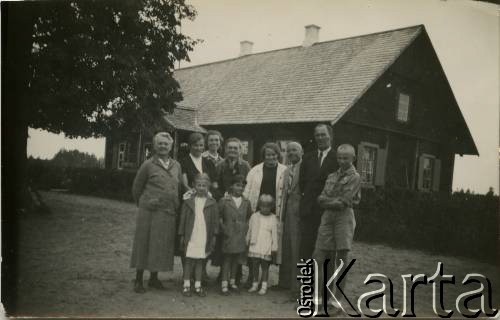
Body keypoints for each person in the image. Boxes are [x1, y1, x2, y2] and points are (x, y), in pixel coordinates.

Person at [130, 132, 182, 293]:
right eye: (160, 143)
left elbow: (178, 187)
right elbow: (136, 188)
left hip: (167, 212)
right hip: (149, 212)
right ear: (154, 146)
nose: (163, 146)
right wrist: (145, 204)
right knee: (143, 244)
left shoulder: (176, 165)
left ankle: (154, 278)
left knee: (159, 245)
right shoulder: (147, 165)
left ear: (171, 147)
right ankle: (138, 279)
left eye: (166, 144)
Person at [313, 144, 361, 311]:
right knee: (320, 256)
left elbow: (344, 202)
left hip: (344, 218)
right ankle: (318, 299)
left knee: (341, 258)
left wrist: (328, 201)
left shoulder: (355, 177)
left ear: (353, 158)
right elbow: (320, 198)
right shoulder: (332, 175)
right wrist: (330, 201)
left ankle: (336, 301)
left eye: (345, 158)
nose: (342, 161)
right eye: (339, 158)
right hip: (327, 217)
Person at [244, 142, 287, 284]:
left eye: (274, 154)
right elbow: (247, 190)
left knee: (268, 245)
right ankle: (252, 276)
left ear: (278, 155)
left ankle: (264, 278)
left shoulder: (284, 171)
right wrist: (247, 209)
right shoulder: (255, 170)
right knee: (254, 243)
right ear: (264, 156)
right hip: (257, 211)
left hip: (274, 212)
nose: (271, 157)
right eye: (268, 155)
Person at [213, 137, 251, 282]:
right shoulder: (220, 165)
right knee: (225, 238)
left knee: (238, 238)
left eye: (236, 148)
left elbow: (247, 185)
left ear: (240, 150)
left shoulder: (246, 166)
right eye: (230, 148)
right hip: (225, 205)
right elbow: (215, 184)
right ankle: (223, 272)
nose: (233, 150)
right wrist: (222, 197)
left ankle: (237, 273)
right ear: (225, 149)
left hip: (240, 205)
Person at [299, 124, 338, 261]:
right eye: (317, 135)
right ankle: (306, 282)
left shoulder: (337, 158)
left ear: (330, 137)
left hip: (327, 212)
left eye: (323, 134)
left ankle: (325, 283)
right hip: (308, 212)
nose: (320, 138)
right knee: (305, 250)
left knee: (326, 253)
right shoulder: (307, 158)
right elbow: (302, 184)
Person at [178, 173, 219, 297]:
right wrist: (181, 235)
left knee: (200, 261)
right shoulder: (188, 201)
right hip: (191, 234)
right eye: (199, 185)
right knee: (189, 260)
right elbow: (183, 219)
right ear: (194, 186)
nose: (201, 188)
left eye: (204, 186)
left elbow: (215, 221)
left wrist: (214, 236)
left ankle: (197, 285)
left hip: (204, 235)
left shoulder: (212, 202)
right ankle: (186, 285)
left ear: (208, 187)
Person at [218, 174, 253, 295]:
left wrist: (245, 228)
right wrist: (224, 229)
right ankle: (224, 283)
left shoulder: (246, 202)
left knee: (236, 260)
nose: (240, 188)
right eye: (237, 185)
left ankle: (232, 282)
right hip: (228, 234)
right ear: (232, 186)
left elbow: (249, 217)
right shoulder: (224, 201)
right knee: (227, 259)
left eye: (242, 186)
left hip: (240, 235)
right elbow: (219, 217)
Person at [277, 141, 303, 295]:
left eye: (295, 150)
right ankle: (284, 282)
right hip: (286, 213)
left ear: (301, 152)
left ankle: (296, 285)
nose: (291, 153)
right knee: (285, 247)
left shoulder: (304, 168)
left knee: (296, 249)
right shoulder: (286, 170)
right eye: (289, 151)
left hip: (298, 213)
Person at [246, 194, 279, 295]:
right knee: (255, 265)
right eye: (263, 206)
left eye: (268, 206)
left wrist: (274, 246)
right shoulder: (254, 216)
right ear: (259, 206)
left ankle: (264, 285)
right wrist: (247, 240)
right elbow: (250, 230)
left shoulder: (273, 218)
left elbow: (275, 234)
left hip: (266, 245)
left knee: (265, 267)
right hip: (255, 244)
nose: (265, 208)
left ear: (271, 207)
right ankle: (255, 284)